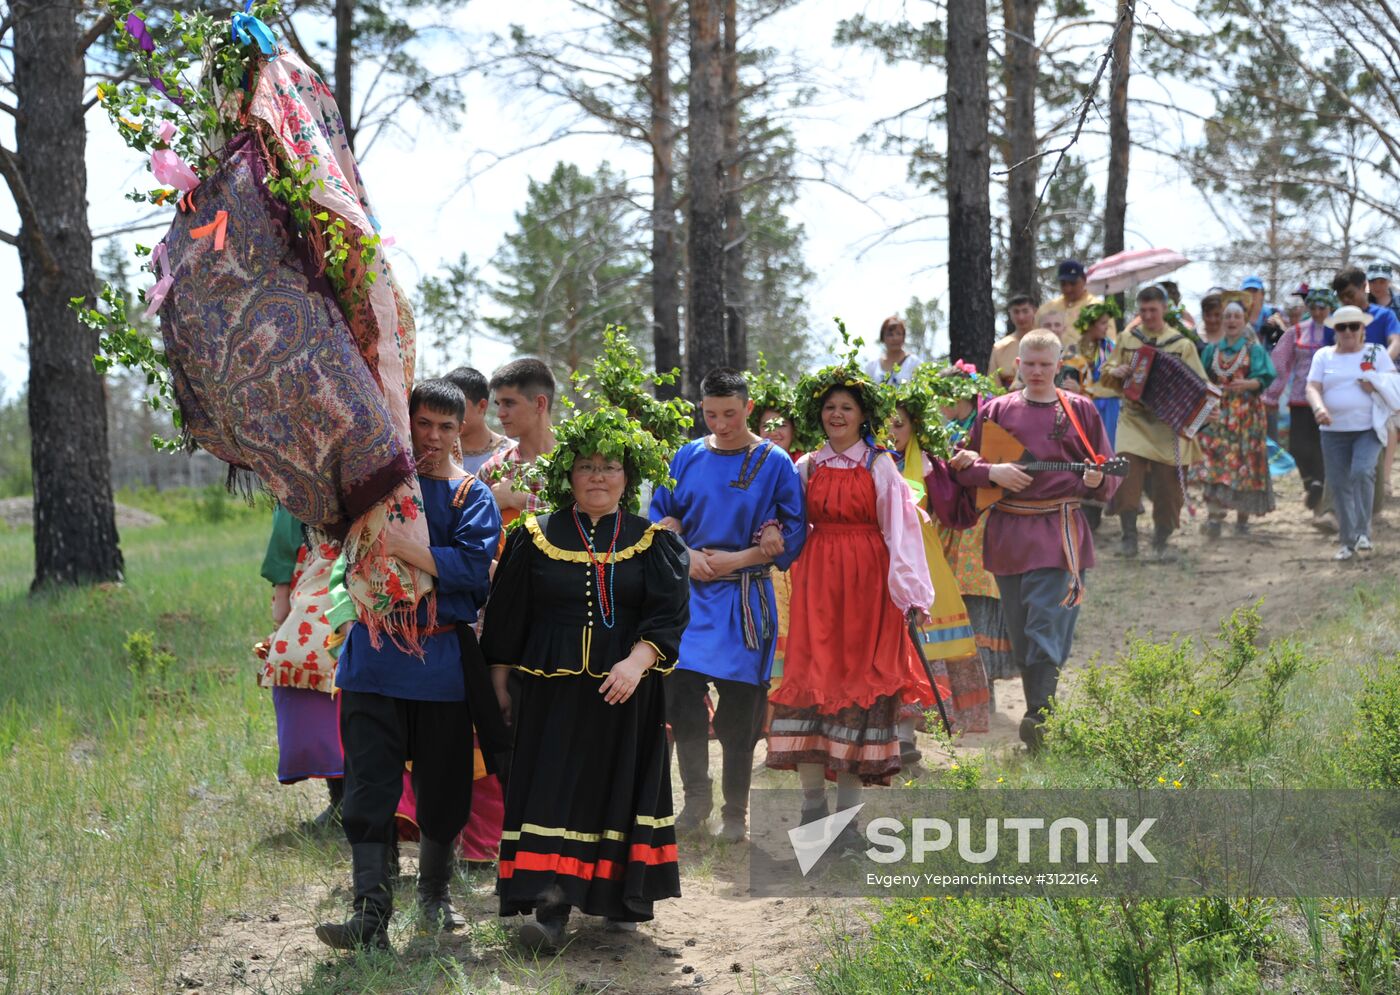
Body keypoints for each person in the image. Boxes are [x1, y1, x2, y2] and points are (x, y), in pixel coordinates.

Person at [482, 405, 690, 950]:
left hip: (627, 691)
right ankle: (549, 905)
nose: (598, 476)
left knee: (615, 784)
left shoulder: (652, 539)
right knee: (550, 786)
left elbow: (668, 613)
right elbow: (507, 615)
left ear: (629, 476)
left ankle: (621, 894)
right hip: (548, 690)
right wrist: (500, 680)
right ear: (567, 475)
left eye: (611, 466)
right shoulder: (534, 536)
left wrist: (638, 661)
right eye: (586, 466)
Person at [316, 379, 502, 950]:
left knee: (443, 788)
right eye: (424, 424)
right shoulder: (374, 490)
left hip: (442, 661)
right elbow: (341, 549)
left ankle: (434, 898)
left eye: (448, 427)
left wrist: (409, 550)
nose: (436, 437)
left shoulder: (471, 496)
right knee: (369, 785)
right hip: (372, 660)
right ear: (406, 421)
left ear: (463, 428)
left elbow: (474, 571)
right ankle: (369, 913)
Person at [766, 364, 934, 836]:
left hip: (868, 588)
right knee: (813, 681)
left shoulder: (879, 464)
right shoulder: (806, 466)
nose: (836, 414)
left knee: (860, 687)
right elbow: (787, 519)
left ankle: (848, 822)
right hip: (818, 585)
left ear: (863, 416)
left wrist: (911, 594)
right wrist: (771, 529)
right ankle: (812, 809)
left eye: (846, 407)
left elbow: (900, 532)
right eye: (829, 407)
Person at [650, 368, 806, 841]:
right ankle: (697, 798)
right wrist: (688, 555)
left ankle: (735, 811)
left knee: (742, 708)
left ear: (749, 409)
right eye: (711, 414)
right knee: (682, 697)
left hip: (745, 599)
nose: (720, 423)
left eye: (730, 414)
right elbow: (661, 515)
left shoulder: (774, 461)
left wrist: (743, 556)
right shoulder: (687, 455)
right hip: (691, 597)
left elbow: (795, 528)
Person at [951, 331, 1118, 752]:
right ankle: (1039, 720)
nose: (1039, 371)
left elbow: (1106, 475)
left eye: (1047, 364)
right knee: (1024, 633)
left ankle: (1039, 716)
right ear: (1018, 366)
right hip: (1009, 533)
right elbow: (963, 466)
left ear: (1059, 364)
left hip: (1058, 533)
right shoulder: (996, 410)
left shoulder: (1079, 410)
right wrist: (993, 472)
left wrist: (1096, 479)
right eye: (1031, 364)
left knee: (1046, 622)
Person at [888, 392, 990, 739]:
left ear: (914, 426)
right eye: (884, 423)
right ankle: (891, 737)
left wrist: (973, 463)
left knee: (928, 643)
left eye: (899, 423)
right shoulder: (865, 461)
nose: (891, 431)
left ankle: (909, 737)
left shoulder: (929, 465)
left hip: (923, 563)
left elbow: (956, 510)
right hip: (878, 562)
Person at [1099, 285, 1209, 562]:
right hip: (1134, 418)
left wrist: (1199, 409)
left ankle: (1161, 539)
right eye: (1143, 310)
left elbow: (1201, 385)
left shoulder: (1181, 345)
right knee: (1124, 470)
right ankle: (1129, 538)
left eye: (1153, 310)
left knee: (1168, 485)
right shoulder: (1128, 338)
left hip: (1168, 425)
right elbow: (1107, 372)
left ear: (1164, 310)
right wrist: (1118, 370)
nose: (1147, 315)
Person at [258, 506, 344, 827]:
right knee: (312, 675)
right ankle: (341, 796)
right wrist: (283, 591)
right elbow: (287, 529)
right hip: (317, 577)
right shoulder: (300, 481)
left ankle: (351, 797)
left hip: (353, 573)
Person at [1306, 305, 1398, 560]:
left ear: (1362, 329)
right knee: (1339, 483)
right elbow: (1312, 387)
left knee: (1361, 471)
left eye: (1353, 326)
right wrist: (1319, 408)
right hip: (1332, 429)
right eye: (1341, 326)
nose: (1347, 331)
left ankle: (1363, 532)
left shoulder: (1376, 353)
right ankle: (1347, 541)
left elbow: (1394, 385)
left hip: (1368, 428)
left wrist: (1375, 387)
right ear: (1334, 330)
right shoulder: (1323, 356)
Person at [1196, 300, 1277, 536]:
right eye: (1227, 316)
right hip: (1218, 414)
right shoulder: (1212, 350)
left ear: (1244, 321)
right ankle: (1214, 516)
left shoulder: (1254, 349)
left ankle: (1243, 518)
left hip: (1246, 415)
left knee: (1246, 463)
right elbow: (1203, 378)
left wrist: (1249, 383)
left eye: (1236, 317)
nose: (1231, 321)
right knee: (1213, 460)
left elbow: (1266, 377)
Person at [1264, 287, 1334, 512]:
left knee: (1323, 446)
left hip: (1330, 399)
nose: (1317, 312)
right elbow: (1280, 363)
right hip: (1300, 398)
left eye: (1322, 307)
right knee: (1297, 447)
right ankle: (1311, 484)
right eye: (1312, 307)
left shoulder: (1339, 330)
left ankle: (1320, 485)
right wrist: (1271, 395)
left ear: (1330, 308)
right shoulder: (1297, 332)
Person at [481, 358, 559, 528]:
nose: (500, 414)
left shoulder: (577, 464)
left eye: (509, 403)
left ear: (540, 403)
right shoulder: (493, 470)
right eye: (499, 404)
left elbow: (590, 525)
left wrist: (521, 500)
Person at [444, 366, 510, 475]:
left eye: (456, 405)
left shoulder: (510, 454)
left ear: (482, 406)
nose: (448, 414)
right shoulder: (437, 452)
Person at [1326, 266, 1400, 358]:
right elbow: (1327, 351)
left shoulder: (1384, 315)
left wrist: (1379, 365)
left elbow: (1396, 343)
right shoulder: (1334, 320)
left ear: (1364, 286)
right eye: (1341, 296)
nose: (1346, 299)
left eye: (1350, 294)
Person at [1041, 259, 1102, 348]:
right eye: (1063, 284)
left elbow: (1108, 345)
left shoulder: (1097, 308)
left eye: (1073, 283)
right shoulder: (1047, 309)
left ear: (1084, 280)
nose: (1068, 288)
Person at [990, 294, 1039, 388]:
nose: (1021, 317)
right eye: (1016, 312)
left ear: (1034, 311)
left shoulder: (1046, 342)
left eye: (1025, 311)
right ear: (1010, 314)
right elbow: (994, 383)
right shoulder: (1000, 347)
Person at [864, 315, 923, 385]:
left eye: (899, 334)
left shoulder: (914, 363)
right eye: (890, 334)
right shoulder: (872, 366)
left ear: (904, 337)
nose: (895, 338)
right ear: (883, 338)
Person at [1241, 275, 1279, 343]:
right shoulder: (1236, 315)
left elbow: (1288, 337)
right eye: (1247, 290)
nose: (1250, 294)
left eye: (1254, 290)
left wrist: (1277, 329)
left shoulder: (1273, 312)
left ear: (1262, 294)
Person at [1368, 260, 1400, 325]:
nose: (1377, 286)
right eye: (1373, 281)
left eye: (1382, 282)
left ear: (1389, 281)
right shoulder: (1363, 305)